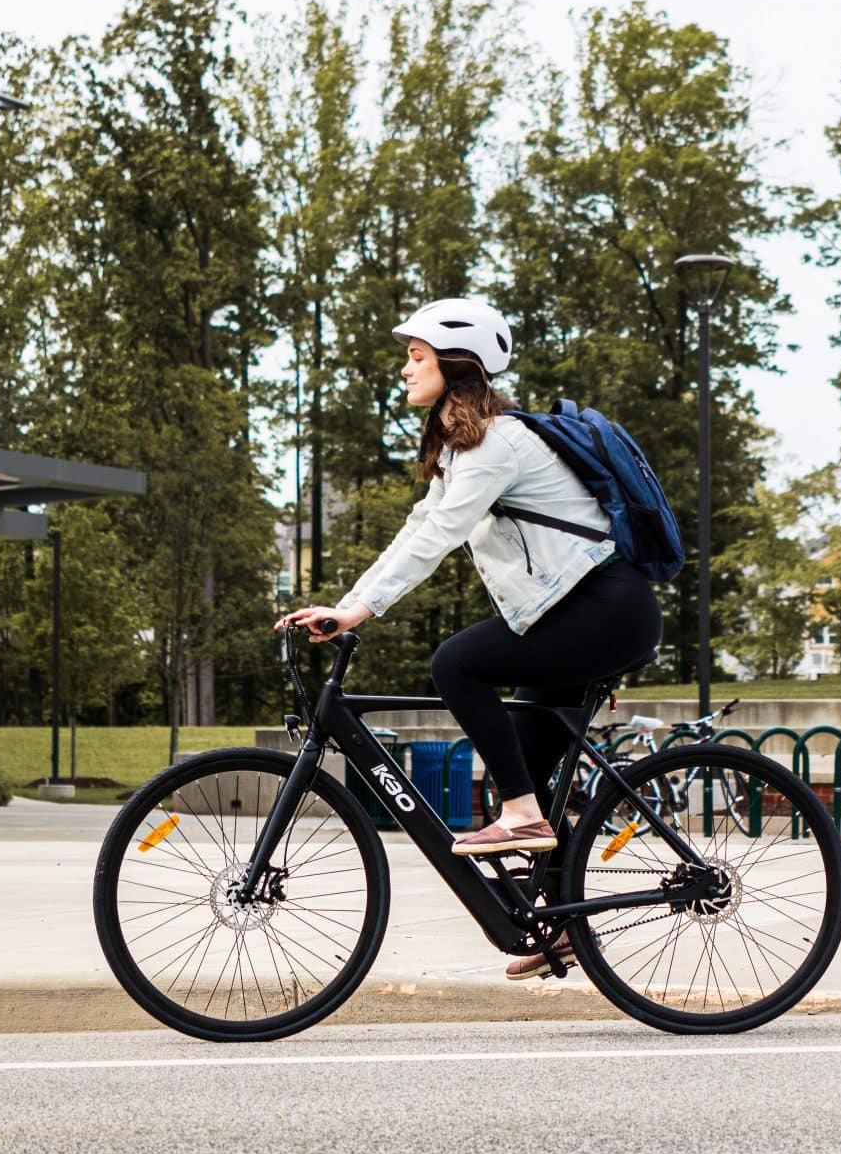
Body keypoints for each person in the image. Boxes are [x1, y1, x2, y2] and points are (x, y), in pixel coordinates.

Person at [277, 296, 662, 979]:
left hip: (608, 609)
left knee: (456, 664)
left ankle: (526, 820)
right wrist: (346, 603)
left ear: (456, 366)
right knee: (519, 777)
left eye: (416, 356)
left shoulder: (499, 443)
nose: (404, 368)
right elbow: (417, 527)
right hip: (573, 614)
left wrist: (356, 611)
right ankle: (562, 926)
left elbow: (436, 537)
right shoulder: (468, 449)